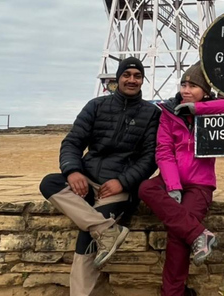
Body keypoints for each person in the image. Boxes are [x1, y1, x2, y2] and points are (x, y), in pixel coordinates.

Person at [39, 57, 161, 296]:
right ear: (118, 78)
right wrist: (73, 171)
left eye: (137, 76)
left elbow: (150, 159)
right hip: (87, 179)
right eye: (127, 75)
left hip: (119, 189)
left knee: (88, 235)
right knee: (49, 183)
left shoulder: (151, 114)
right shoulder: (96, 106)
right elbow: (73, 142)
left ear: (143, 80)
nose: (132, 80)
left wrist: (122, 182)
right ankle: (107, 231)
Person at [138, 62, 224, 296]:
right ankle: (198, 234)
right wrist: (173, 186)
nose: (186, 90)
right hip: (171, 178)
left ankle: (172, 293)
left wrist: (197, 110)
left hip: (200, 183)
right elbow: (163, 150)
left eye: (193, 86)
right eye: (184, 84)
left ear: (205, 91)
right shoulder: (168, 112)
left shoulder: (212, 109)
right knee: (146, 188)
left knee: (177, 236)